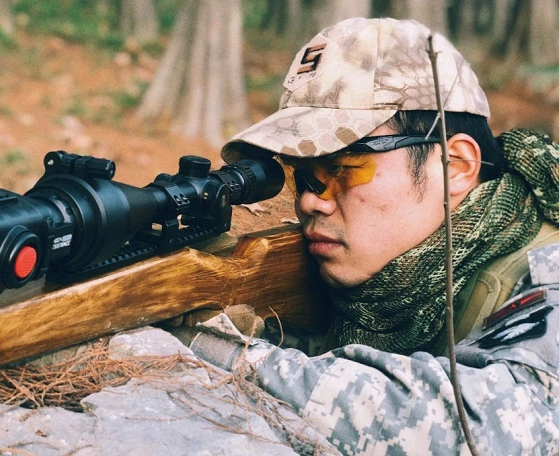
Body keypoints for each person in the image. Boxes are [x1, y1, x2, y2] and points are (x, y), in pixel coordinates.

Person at [176, 17, 559, 455]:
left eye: (344, 168)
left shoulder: (546, 274)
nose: (310, 202)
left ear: (454, 166)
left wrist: (220, 351)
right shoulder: (388, 287)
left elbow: (490, 431)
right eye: (304, 177)